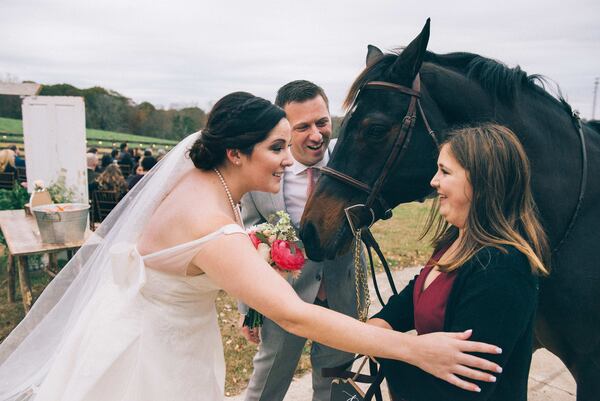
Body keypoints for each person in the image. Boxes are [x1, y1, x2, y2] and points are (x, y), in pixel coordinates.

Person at [0, 93, 502, 401]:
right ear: (236, 152)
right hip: (156, 358)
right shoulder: (211, 222)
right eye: (277, 147)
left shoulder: (195, 182)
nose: (289, 159)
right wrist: (414, 348)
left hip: (144, 330)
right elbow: (298, 316)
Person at [368, 124, 550, 401]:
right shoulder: (455, 242)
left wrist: (392, 349)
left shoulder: (503, 268)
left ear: (481, 181)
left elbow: (461, 389)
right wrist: (382, 329)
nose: (433, 181)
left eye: (445, 171)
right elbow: (409, 303)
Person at [240, 80, 358, 401]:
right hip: (283, 303)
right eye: (303, 127)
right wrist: (248, 309)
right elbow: (248, 245)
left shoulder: (354, 166)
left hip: (341, 300)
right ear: (284, 128)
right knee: (265, 390)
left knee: (336, 391)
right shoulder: (261, 177)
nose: (317, 135)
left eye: (322, 122)